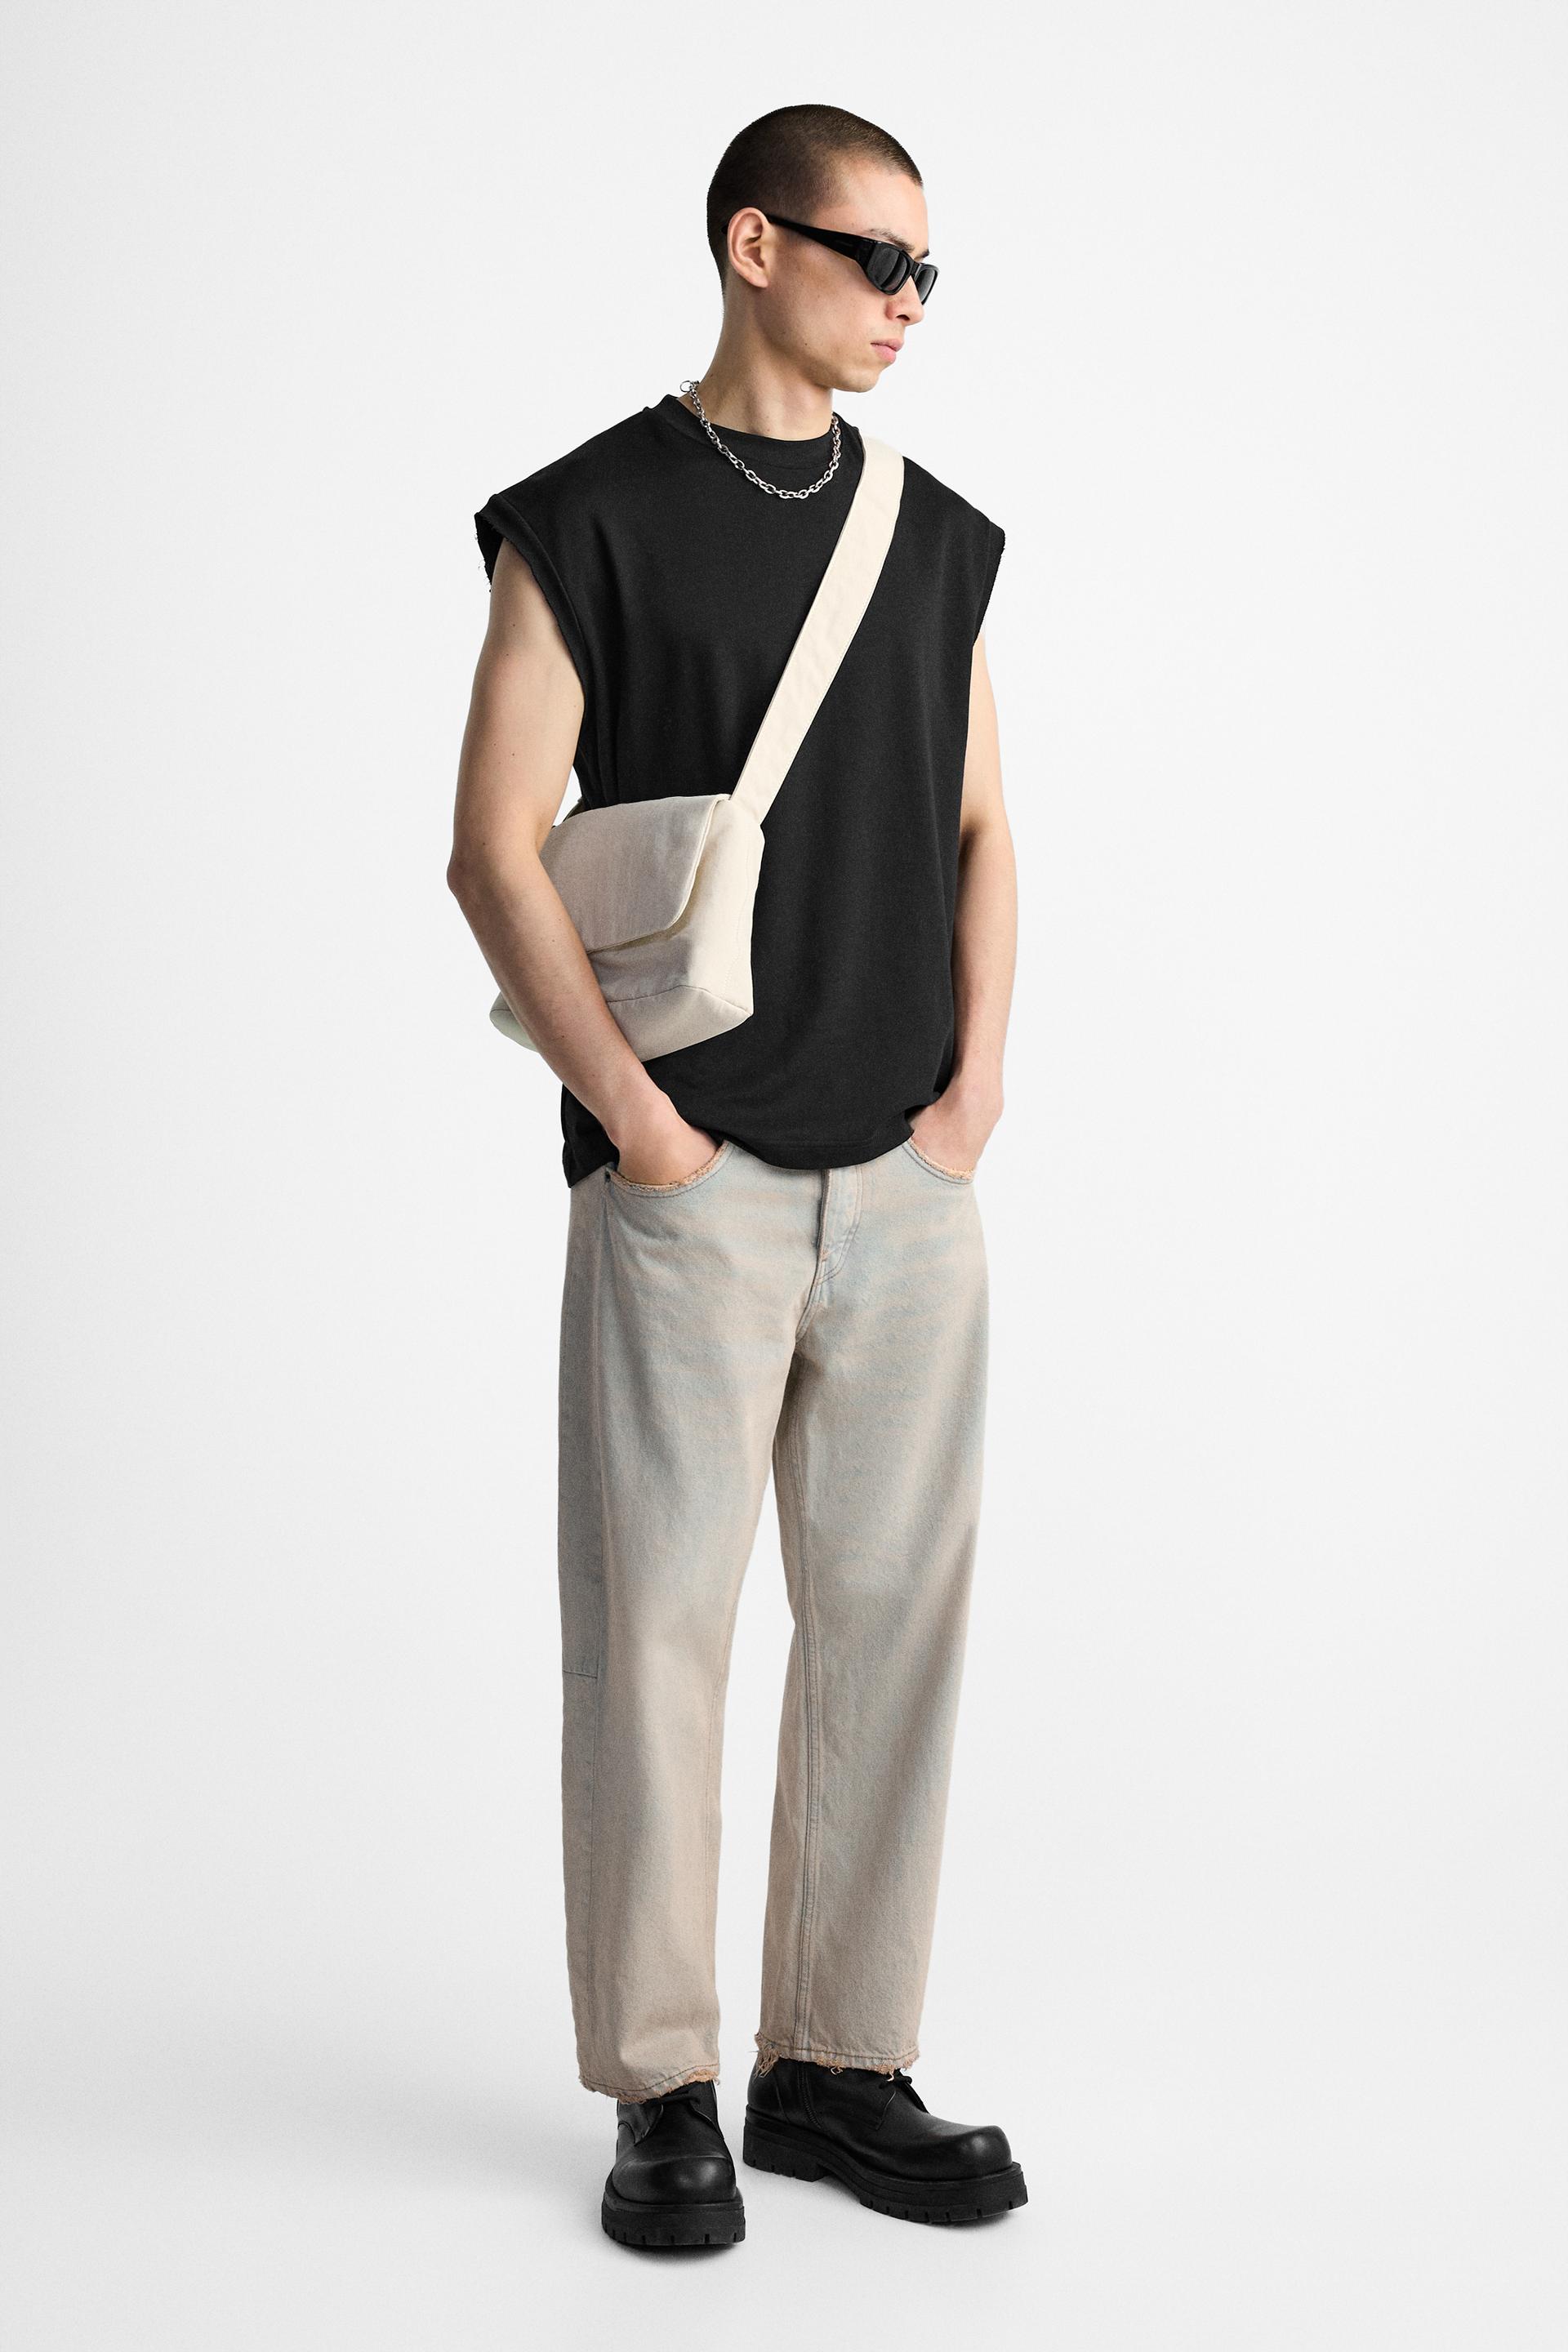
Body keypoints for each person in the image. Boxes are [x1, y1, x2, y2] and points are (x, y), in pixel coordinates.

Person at [448, 102, 1024, 2247]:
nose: (909, 303)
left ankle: (840, 2068)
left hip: (908, 1182)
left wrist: (972, 1100)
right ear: (755, 245)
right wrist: (639, 1119)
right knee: (657, 1642)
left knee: (892, 1635)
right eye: (880, 259)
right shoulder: (589, 518)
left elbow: (986, 825)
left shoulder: (934, 535)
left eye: (929, 271)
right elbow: (488, 846)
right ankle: (664, 2087)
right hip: (685, 1190)